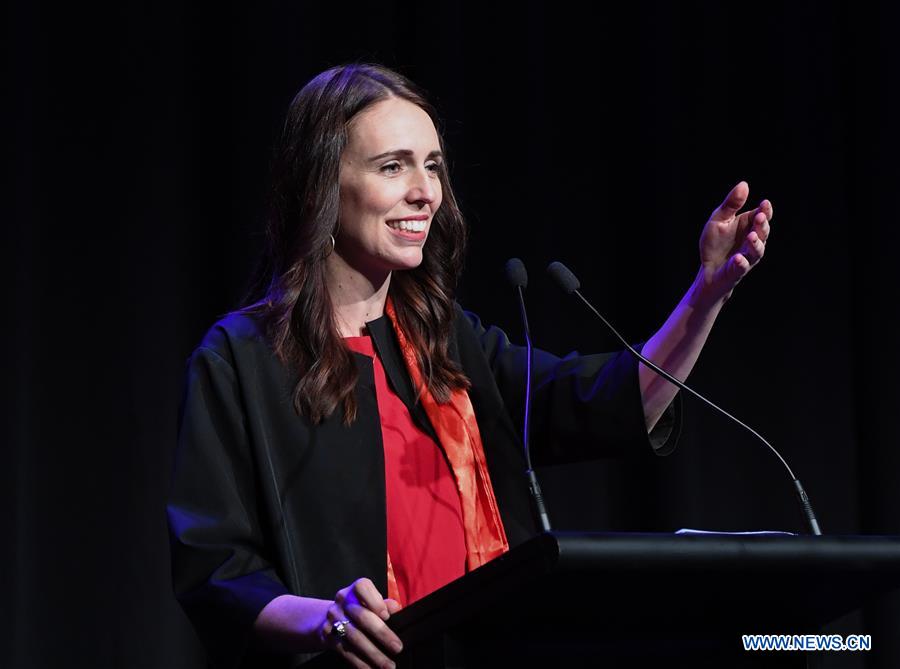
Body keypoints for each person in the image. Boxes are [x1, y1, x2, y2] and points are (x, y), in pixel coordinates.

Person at [167, 63, 772, 669]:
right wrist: (326, 620)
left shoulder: (446, 339)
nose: (425, 190)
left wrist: (706, 295)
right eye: (393, 166)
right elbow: (215, 567)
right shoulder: (243, 359)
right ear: (321, 185)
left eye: (432, 165)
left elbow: (607, 402)